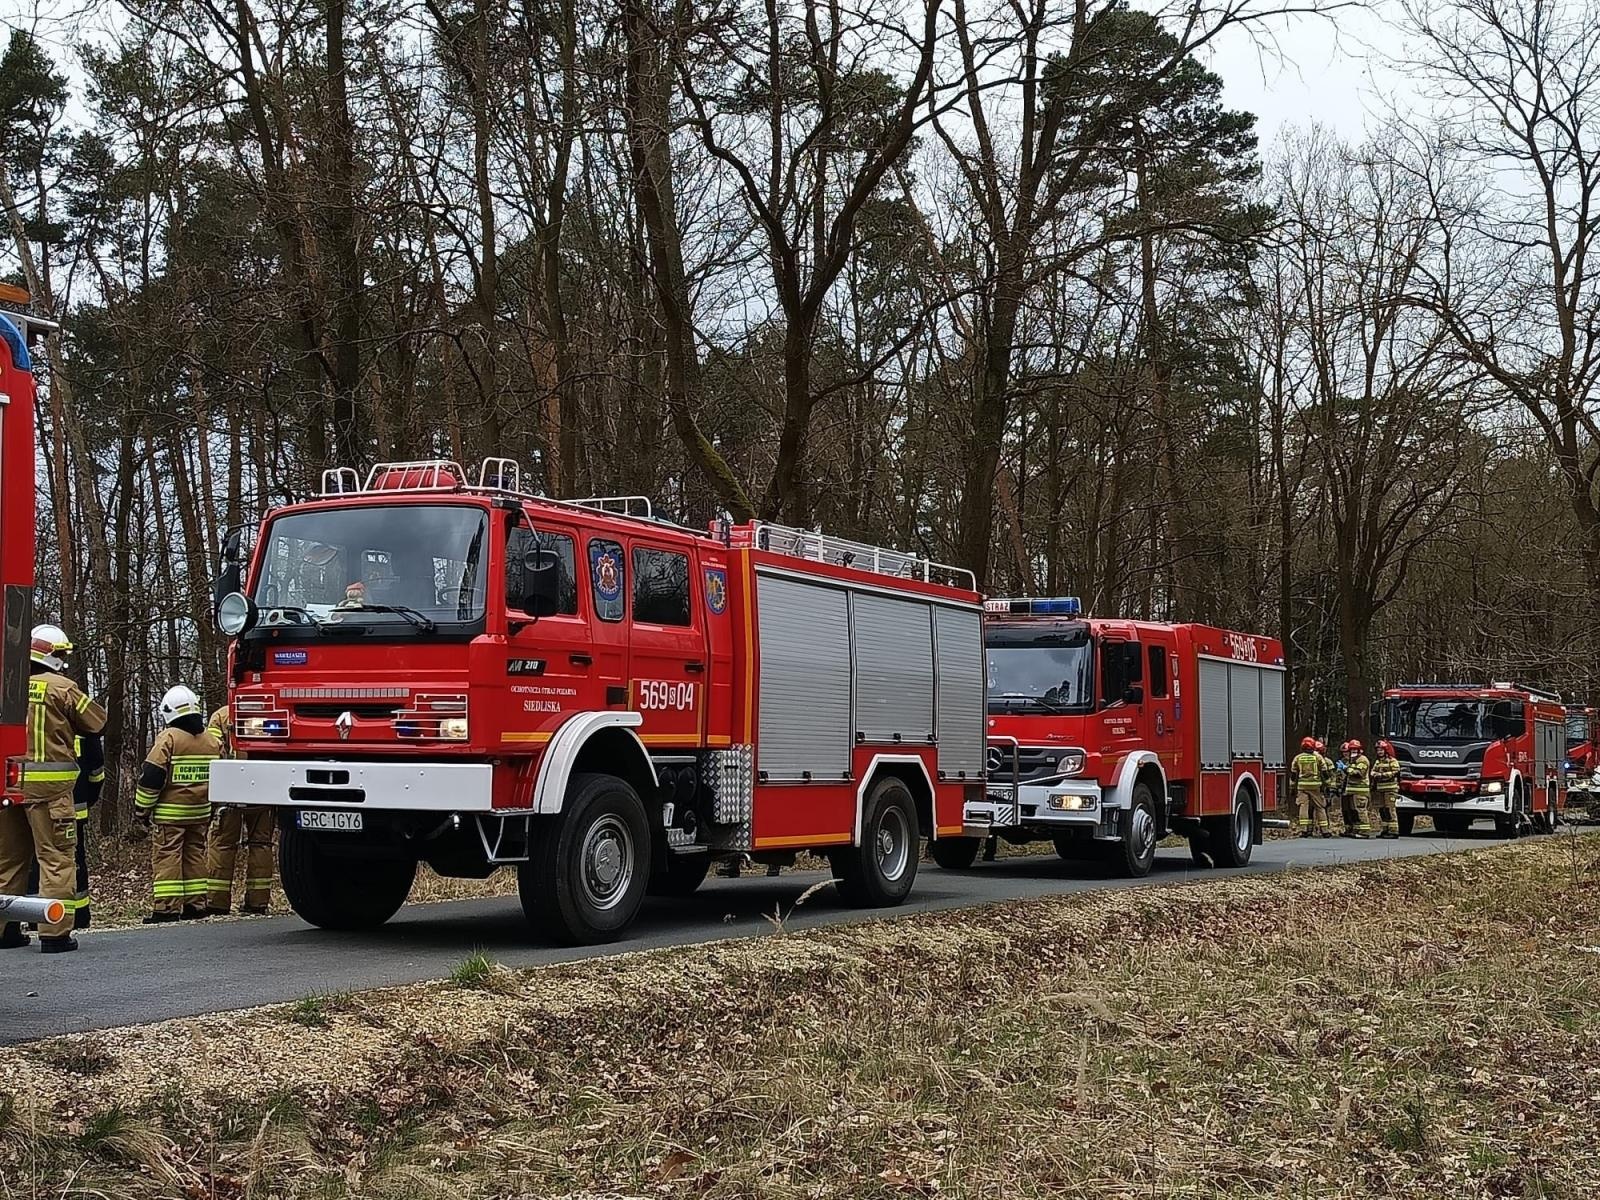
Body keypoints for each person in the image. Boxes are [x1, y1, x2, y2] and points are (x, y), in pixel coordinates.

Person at [0, 624, 107, 952]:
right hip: (50, 793)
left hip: (10, 789)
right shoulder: (63, 688)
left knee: (8, 861)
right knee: (57, 859)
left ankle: (4, 930)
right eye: (61, 653)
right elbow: (97, 722)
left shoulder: (8, 685)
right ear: (52, 655)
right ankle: (54, 933)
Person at [135, 686, 223, 922]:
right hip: (201, 812)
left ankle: (166, 908)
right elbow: (222, 778)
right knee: (195, 855)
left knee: (168, 856)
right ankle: (196, 905)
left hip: (170, 816)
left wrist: (142, 810)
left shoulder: (169, 738)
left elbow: (151, 778)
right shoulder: (212, 741)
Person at [204, 704, 274, 915]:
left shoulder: (221, 716)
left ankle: (217, 903)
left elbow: (214, 750)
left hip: (231, 791)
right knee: (261, 844)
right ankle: (258, 903)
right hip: (263, 788)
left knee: (223, 844)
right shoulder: (268, 714)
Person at [1289, 736, 1327, 837]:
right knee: (1320, 807)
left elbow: (1293, 775)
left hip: (1302, 786)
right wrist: (1327, 785)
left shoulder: (1298, 758)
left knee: (1303, 807)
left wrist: (1292, 787)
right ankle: (1325, 831)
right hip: (1315, 786)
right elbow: (1324, 771)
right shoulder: (1318, 757)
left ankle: (1304, 830)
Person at [1371, 740, 1402, 839]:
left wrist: (1381, 775)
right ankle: (1385, 829)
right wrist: (1375, 775)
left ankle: (1393, 830)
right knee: (1382, 810)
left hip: (1390, 789)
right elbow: (1372, 772)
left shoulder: (1392, 761)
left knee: (1390, 809)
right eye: (1378, 750)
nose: (1379, 752)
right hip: (1380, 789)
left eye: (1381, 750)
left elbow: (1395, 772)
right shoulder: (1377, 762)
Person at [1344, 740, 1373, 839]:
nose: (1353, 751)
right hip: (1352, 791)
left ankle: (1364, 832)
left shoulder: (1363, 760)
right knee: (1354, 811)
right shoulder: (1352, 760)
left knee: (1360, 810)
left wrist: (1346, 769)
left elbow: (1359, 773)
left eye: (1355, 749)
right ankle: (1356, 830)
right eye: (1351, 750)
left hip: (1360, 791)